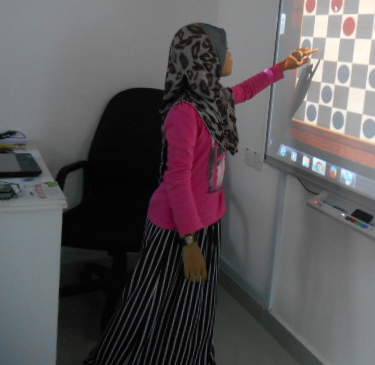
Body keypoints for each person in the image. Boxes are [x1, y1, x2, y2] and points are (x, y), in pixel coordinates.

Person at [84, 23, 317, 365]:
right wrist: (190, 243)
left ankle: (183, 356)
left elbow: (247, 89)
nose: (231, 55)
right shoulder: (184, 112)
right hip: (176, 229)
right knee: (154, 301)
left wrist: (283, 67)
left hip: (205, 222)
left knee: (193, 303)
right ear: (206, 58)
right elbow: (176, 181)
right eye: (225, 50)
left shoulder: (214, 100)